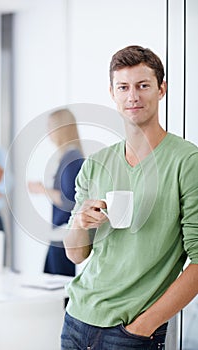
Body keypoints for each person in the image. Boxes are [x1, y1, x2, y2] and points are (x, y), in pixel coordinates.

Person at [61, 45, 198, 349]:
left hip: (132, 332)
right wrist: (80, 223)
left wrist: (144, 325)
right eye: (123, 87)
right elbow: (77, 255)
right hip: (76, 321)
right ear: (112, 92)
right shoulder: (95, 163)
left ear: (161, 89)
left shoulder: (187, 161)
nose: (132, 96)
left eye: (143, 86)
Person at [28, 108, 84, 277]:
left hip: (64, 234)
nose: (48, 132)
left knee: (58, 286)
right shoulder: (69, 156)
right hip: (60, 234)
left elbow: (68, 201)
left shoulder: (72, 158)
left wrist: (42, 190)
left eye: (50, 127)